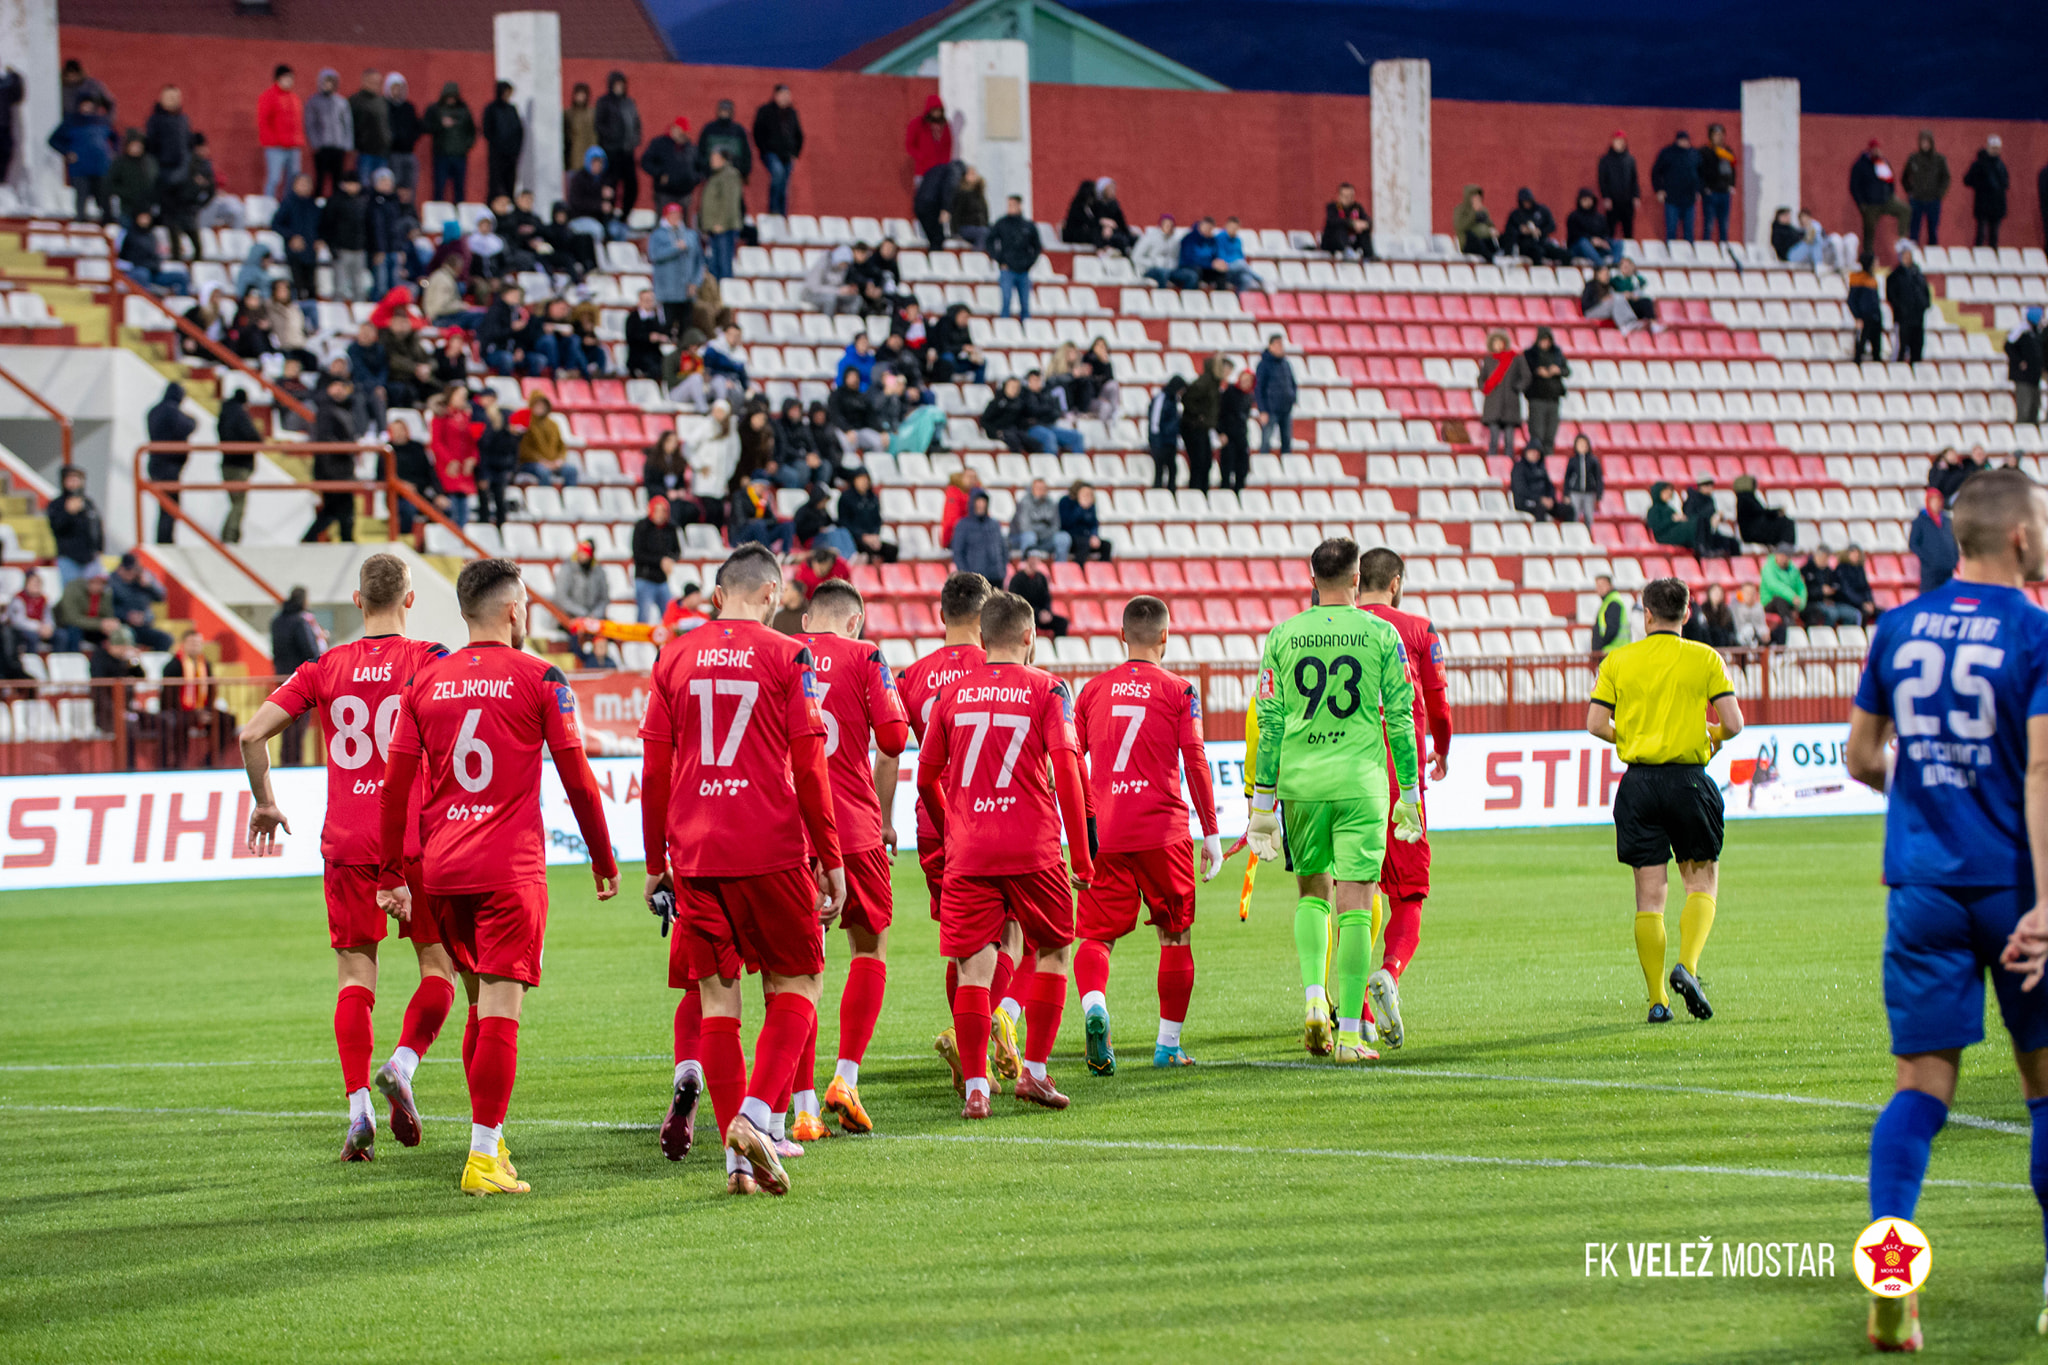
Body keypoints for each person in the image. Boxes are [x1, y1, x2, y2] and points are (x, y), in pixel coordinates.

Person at [1845, 467, 2048, 1350]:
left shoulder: (1896, 625)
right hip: (2012, 887)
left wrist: (1928, 791)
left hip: (1922, 885)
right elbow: (2043, 769)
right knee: (2043, 1093)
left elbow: (1860, 754)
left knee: (1920, 1088)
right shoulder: (2035, 632)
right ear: (2017, 537)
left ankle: (1893, 1281)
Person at [376, 558, 617, 1194]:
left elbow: (395, 789)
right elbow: (579, 781)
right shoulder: (542, 675)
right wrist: (603, 858)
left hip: (443, 868)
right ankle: (482, 1155)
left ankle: (493, 1136)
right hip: (509, 868)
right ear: (515, 610)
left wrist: (390, 872)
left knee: (480, 1005)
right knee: (503, 1010)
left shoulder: (425, 684)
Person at [237, 554, 458, 1162]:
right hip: (417, 840)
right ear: (410, 600)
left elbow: (251, 735)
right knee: (439, 968)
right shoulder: (432, 661)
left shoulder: (324, 666)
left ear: (358, 602)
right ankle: (403, 1064)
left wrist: (265, 802)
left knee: (355, 978)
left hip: (348, 842)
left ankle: (359, 1107)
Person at [637, 545, 844, 1194]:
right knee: (800, 982)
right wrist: (830, 858)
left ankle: (736, 1163)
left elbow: (654, 769)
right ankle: (756, 1116)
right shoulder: (790, 654)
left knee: (716, 998)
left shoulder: (673, 654)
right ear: (774, 594)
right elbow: (810, 765)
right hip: (770, 843)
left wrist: (653, 860)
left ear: (719, 592)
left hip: (696, 851)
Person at [917, 590, 1094, 1118]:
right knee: (1055, 951)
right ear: (1027, 637)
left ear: (982, 637)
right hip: (1032, 845)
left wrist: (954, 829)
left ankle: (976, 1085)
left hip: (970, 849)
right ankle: (1034, 1073)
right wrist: (1082, 855)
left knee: (973, 967)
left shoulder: (954, 693)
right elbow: (1066, 772)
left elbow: (925, 777)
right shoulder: (1048, 688)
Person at [1246, 537, 1421, 1063]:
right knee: (1357, 905)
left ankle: (1312, 1001)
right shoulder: (1380, 632)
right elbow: (1402, 716)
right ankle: (1348, 1035)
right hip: (1361, 783)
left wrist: (1262, 802)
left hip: (1301, 784)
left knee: (1312, 894)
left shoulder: (1282, 635)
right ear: (1355, 580)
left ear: (1311, 580)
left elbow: (1269, 720)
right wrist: (1409, 793)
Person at [1068, 595, 1222, 1073]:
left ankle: (1095, 1006)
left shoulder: (1091, 691)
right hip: (1163, 831)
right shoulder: (1180, 691)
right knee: (1175, 937)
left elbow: (1070, 763)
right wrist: (1211, 832)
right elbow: (1194, 758)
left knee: (1095, 937)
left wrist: (1078, 834)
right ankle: (1167, 1045)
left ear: (1121, 636)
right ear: (1165, 637)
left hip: (1106, 833)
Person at [1586, 576, 1743, 1025]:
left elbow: (1596, 723)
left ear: (1647, 614)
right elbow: (1733, 723)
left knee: (1648, 898)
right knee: (1701, 882)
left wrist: (1630, 736)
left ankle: (1658, 1000)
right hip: (1689, 781)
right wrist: (1709, 736)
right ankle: (1688, 967)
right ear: (1687, 614)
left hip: (1639, 784)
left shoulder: (1620, 660)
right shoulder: (1704, 658)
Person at [784, 579, 910, 1136]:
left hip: (788, 831)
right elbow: (894, 737)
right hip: (852, 826)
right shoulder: (866, 655)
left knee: (795, 968)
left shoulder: (782, 653)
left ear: (807, 620)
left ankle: (804, 1109)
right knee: (870, 944)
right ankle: (846, 1077)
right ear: (855, 621)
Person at [895, 574, 1012, 1089]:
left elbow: (889, 749)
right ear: (987, 617)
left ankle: (972, 1055)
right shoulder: (1000, 667)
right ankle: (996, 1021)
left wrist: (882, 820)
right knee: (1014, 931)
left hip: (934, 821)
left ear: (941, 614)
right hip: (999, 817)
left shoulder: (912, 676)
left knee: (960, 942)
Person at [1349, 548, 1453, 1048]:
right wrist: (1442, 751)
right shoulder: (1417, 629)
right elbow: (1438, 702)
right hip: (1397, 776)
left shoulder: (1333, 628)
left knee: (1344, 895)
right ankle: (1388, 973)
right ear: (1394, 583)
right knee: (1407, 893)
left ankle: (1342, 1011)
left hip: (1339, 774)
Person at [302, 374, 362, 544]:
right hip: (333, 469)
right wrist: (348, 448)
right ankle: (342, 542)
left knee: (337, 510)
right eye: (336, 385)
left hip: (341, 468)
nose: (340, 389)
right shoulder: (326, 410)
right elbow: (326, 440)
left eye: (343, 386)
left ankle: (315, 539)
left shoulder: (345, 409)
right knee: (338, 509)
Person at [48, 94, 116, 222]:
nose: (87, 107)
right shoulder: (71, 122)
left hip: (100, 166)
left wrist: (112, 152)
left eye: (90, 104)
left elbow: (115, 138)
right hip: (80, 167)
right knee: (81, 197)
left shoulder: (101, 121)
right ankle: (80, 224)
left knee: (103, 195)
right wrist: (67, 152)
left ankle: (108, 222)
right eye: (84, 104)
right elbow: (53, 140)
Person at [145, 382, 195, 544]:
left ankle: (163, 540)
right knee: (169, 507)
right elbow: (188, 425)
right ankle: (165, 541)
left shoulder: (154, 410)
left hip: (156, 464)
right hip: (168, 466)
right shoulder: (172, 411)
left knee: (164, 506)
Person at [905, 94, 954, 248]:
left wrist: (943, 166)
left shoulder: (945, 126)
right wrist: (922, 157)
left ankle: (938, 232)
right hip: (923, 171)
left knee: (938, 204)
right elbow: (909, 144)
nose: (937, 113)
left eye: (939, 110)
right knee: (923, 203)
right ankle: (924, 232)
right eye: (934, 110)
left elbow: (948, 146)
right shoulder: (918, 124)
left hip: (939, 173)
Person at [216, 388, 263, 545]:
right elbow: (253, 436)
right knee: (239, 503)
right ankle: (229, 537)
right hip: (240, 465)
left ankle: (230, 535)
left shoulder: (223, 414)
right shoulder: (240, 415)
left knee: (235, 501)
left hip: (226, 464)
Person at [555, 538, 611, 668]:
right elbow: (561, 598)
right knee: (575, 633)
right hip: (571, 615)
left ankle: (602, 663)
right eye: (580, 552)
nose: (581, 555)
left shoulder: (598, 570)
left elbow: (604, 598)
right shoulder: (567, 569)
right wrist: (583, 614)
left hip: (593, 615)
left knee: (607, 629)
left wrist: (595, 613)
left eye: (585, 553)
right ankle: (580, 664)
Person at [593, 72, 641, 218]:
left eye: (622, 84)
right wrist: (612, 137)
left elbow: (637, 124)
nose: (619, 87)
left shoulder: (629, 103)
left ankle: (625, 215)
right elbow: (598, 125)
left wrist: (634, 140)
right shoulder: (604, 102)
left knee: (631, 185)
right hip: (611, 152)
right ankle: (608, 215)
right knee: (610, 186)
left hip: (627, 152)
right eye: (617, 84)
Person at [47, 466, 103, 588]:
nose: (74, 483)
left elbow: (97, 526)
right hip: (69, 559)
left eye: (77, 479)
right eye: (70, 479)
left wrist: (99, 548)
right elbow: (56, 528)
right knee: (72, 595)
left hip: (91, 559)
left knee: (95, 598)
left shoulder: (88, 503)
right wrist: (69, 513)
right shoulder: (57, 504)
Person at [302, 69, 353, 199]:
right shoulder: (314, 101)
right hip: (322, 147)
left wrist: (347, 144)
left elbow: (347, 124)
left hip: (338, 147)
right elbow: (310, 124)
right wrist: (315, 144)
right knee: (320, 179)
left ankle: (336, 206)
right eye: (325, 82)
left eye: (331, 82)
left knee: (338, 180)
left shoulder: (341, 102)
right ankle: (317, 205)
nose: (328, 85)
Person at [752, 85, 802, 217]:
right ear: (776, 95)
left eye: (788, 95)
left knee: (784, 184)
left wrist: (795, 153)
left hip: (787, 155)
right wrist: (764, 149)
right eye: (783, 94)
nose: (786, 98)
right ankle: (774, 210)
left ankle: (782, 213)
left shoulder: (792, 114)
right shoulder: (766, 111)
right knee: (778, 175)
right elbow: (757, 131)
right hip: (771, 152)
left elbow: (799, 135)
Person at [988, 194, 1040, 319]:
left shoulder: (1028, 225)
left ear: (1019, 206)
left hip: (1023, 270)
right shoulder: (1001, 223)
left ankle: (1026, 330)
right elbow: (990, 241)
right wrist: (1000, 259)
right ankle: (1004, 327)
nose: (1010, 208)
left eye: (1013, 205)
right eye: (1009, 205)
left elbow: (1037, 247)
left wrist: (1029, 263)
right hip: (1007, 269)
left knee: (1025, 305)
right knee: (1006, 301)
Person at [1476, 331, 1528, 456]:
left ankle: (1509, 463)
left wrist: (1517, 388)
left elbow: (1526, 377)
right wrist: (1484, 387)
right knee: (1493, 438)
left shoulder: (1515, 359)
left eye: (1500, 343)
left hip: (1510, 405)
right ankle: (1492, 463)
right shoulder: (1489, 361)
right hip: (1493, 405)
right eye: (1495, 343)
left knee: (1509, 440)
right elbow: (1481, 378)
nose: (1498, 345)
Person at [257, 66, 304, 202]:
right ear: (278, 79)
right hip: (275, 147)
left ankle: (289, 208)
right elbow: (263, 121)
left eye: (292, 78)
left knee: (294, 180)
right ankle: (268, 207)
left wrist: (297, 141)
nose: (290, 81)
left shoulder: (294, 98)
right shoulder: (268, 96)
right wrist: (273, 141)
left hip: (293, 146)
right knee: (274, 179)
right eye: (287, 78)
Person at [631, 495, 682, 624]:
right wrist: (660, 561)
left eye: (663, 510)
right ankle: (641, 643)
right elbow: (638, 554)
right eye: (657, 510)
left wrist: (670, 559)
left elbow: (677, 551)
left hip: (662, 580)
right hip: (645, 578)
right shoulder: (641, 527)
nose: (660, 514)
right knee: (644, 616)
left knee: (669, 616)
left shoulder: (671, 528)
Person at [1179, 356, 1225, 494]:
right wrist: (1199, 416)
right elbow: (1187, 399)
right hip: (1194, 427)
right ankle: (1195, 492)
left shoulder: (1213, 384)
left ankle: (1202, 492)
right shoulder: (1204, 382)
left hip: (1202, 428)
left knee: (1206, 462)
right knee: (1199, 462)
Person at [426, 82, 475, 205]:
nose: (451, 99)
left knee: (459, 189)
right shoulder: (436, 109)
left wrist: (466, 146)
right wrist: (440, 125)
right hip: (442, 155)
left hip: (460, 155)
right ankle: (438, 215)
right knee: (439, 188)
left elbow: (472, 131)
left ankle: (459, 214)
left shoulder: (464, 110)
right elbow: (425, 126)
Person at [699, 148, 744, 280]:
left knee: (724, 264)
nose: (711, 161)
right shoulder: (716, 175)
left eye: (714, 158)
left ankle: (725, 294)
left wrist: (722, 223)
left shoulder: (729, 175)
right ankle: (716, 296)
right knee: (714, 264)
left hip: (723, 227)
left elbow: (730, 202)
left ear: (723, 160)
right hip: (713, 227)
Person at [1522, 328, 1568, 454]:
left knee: (1550, 434)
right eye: (1543, 340)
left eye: (1548, 341)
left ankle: (1549, 459)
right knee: (1537, 434)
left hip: (1553, 398)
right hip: (1537, 397)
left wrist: (1557, 370)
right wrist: (1537, 370)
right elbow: (1524, 372)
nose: (1545, 343)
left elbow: (1567, 371)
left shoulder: (1557, 353)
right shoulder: (1530, 353)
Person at [1901, 130, 1950, 246]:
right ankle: (1913, 258)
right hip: (1916, 200)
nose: (1925, 144)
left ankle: (1933, 256)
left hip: (1933, 200)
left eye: (1927, 142)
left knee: (1933, 231)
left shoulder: (1939, 159)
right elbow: (1904, 177)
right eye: (1923, 142)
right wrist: (1910, 191)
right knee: (1914, 231)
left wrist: (1940, 193)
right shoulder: (1913, 158)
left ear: (1932, 143)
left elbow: (1946, 178)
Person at [1651, 130, 1700, 242]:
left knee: (1689, 232)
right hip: (1672, 199)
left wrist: (1698, 190)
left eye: (1686, 141)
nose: (1684, 143)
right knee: (1671, 230)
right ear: (1677, 141)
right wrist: (1659, 190)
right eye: (1682, 140)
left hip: (1689, 199)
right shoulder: (1667, 153)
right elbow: (1656, 172)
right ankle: (1671, 255)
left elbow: (1701, 173)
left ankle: (1689, 256)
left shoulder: (1694, 154)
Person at [517, 393, 576, 486]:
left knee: (571, 471)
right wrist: (542, 461)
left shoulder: (553, 424)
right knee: (543, 472)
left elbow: (561, 446)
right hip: (531, 463)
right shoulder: (526, 423)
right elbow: (524, 449)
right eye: (537, 405)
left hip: (553, 462)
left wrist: (559, 460)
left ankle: (570, 498)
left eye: (543, 405)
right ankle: (546, 498)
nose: (540, 408)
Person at [1888, 241, 1931, 366]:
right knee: (1901, 348)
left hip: (1918, 317)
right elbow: (1892, 296)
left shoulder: (1918, 274)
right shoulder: (1895, 276)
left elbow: (1925, 291)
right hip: (1903, 318)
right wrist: (1901, 309)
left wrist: (1924, 304)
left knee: (1917, 347)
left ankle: (1916, 372)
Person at [950, 488, 1006, 585]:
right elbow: (958, 553)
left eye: (983, 502)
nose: (981, 505)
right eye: (978, 502)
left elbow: (1003, 548)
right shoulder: (963, 525)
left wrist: (1002, 570)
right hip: (975, 580)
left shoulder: (994, 524)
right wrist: (966, 576)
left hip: (996, 577)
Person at [1253, 334, 1297, 455]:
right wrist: (1262, 410)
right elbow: (1259, 388)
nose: (1281, 348)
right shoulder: (1263, 365)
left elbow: (1292, 383)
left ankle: (1287, 468)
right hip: (1270, 409)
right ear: (1271, 346)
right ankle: (1262, 465)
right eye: (1278, 345)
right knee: (1266, 441)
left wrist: (1292, 398)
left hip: (1286, 409)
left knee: (1287, 441)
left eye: (1282, 345)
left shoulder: (1286, 364)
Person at [1963, 135, 2010, 248]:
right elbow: (1967, 180)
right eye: (1993, 148)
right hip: (1983, 205)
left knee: (1994, 236)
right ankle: (1978, 259)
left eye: (1997, 148)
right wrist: (1982, 185)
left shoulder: (2001, 165)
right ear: (1987, 147)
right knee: (1981, 234)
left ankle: (1993, 260)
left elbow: (2005, 184)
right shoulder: (1979, 164)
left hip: (1997, 206)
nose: (1995, 151)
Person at [347, 68, 391, 187]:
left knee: (381, 186)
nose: (376, 85)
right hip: (364, 152)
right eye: (373, 81)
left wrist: (388, 140)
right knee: (365, 185)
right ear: (364, 81)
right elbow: (351, 126)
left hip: (382, 151)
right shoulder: (355, 101)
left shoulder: (382, 101)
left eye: (378, 82)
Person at [1910, 488, 1959, 593]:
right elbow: (1913, 544)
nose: (1937, 504)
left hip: (1947, 568)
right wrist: (1928, 559)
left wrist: (1954, 560)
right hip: (1930, 572)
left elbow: (1953, 542)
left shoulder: (1947, 521)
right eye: (1934, 500)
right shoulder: (1920, 522)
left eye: (1939, 500)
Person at [1009, 477, 1070, 561]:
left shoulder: (1052, 503)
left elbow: (1056, 526)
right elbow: (1025, 527)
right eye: (1038, 488)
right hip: (1021, 538)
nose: (1041, 491)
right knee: (1030, 536)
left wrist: (1044, 535)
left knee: (1063, 537)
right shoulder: (1024, 503)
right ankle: (1026, 569)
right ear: (1031, 489)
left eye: (1043, 488)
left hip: (1045, 538)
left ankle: (1060, 569)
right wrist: (1039, 534)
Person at [1502, 188, 1566, 264]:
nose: (1526, 204)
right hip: (1525, 245)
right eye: (1524, 201)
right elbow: (1508, 231)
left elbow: (1552, 226)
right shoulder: (1516, 214)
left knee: (1565, 254)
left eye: (1528, 201)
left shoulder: (1542, 210)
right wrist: (1522, 230)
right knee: (1538, 252)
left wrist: (1540, 231)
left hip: (1542, 241)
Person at [1597, 130, 1640, 240]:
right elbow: (1602, 180)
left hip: (1627, 200)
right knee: (1610, 229)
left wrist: (1636, 196)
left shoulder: (1630, 159)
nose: (1619, 143)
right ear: (1612, 142)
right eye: (1616, 141)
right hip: (1612, 200)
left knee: (1628, 229)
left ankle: (1628, 254)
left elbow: (1634, 179)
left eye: (1621, 141)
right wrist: (1606, 196)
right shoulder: (1605, 160)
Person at [1733, 474, 1797, 548]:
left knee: (1784, 521)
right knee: (1786, 523)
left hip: (1756, 530)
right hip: (1753, 532)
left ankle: (1784, 547)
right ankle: (1784, 548)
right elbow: (1759, 512)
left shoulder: (1745, 497)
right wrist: (1776, 512)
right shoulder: (1745, 499)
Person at [1801, 546, 1859, 626]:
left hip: (1832, 603)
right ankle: (1826, 635)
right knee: (1832, 614)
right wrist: (1821, 591)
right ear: (1816, 556)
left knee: (1853, 614)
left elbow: (1839, 587)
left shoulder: (1830, 572)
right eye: (1823, 556)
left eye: (1827, 557)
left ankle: (1843, 635)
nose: (1825, 560)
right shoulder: (1805, 570)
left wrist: (1833, 591)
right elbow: (1803, 592)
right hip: (1814, 603)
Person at [1698, 124, 1736, 244]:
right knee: (1709, 224)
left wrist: (1732, 185)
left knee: (1724, 224)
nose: (1719, 138)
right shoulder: (1705, 152)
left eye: (1721, 135)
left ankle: (1724, 250)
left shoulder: (1727, 152)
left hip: (1724, 192)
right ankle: (1706, 250)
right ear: (1711, 136)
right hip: (1711, 192)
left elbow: (1733, 169)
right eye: (1716, 135)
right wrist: (1704, 188)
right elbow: (1700, 171)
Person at [1511, 444, 1569, 522]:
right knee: (1540, 509)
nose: (1535, 455)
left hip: (1543, 501)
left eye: (1537, 453)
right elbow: (1521, 489)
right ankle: (1540, 533)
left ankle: (1568, 532)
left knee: (1568, 509)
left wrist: (1550, 498)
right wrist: (1540, 499)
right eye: (1532, 452)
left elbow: (1549, 486)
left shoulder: (1541, 467)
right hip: (1526, 502)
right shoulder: (1519, 468)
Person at [1218, 365, 1254, 493]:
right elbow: (1220, 413)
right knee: (1227, 467)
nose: (1246, 383)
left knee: (1242, 468)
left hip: (1241, 435)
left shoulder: (1248, 397)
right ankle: (1225, 492)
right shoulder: (1230, 392)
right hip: (1229, 435)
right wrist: (1221, 432)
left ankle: (1239, 493)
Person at [1565, 188, 1622, 267]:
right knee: (1583, 242)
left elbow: (1606, 232)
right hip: (1578, 248)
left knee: (1618, 243)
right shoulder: (1574, 216)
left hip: (1598, 247)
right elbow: (1574, 234)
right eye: (1585, 199)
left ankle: (1615, 264)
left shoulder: (1600, 217)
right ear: (1579, 201)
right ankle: (1601, 266)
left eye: (1589, 199)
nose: (1587, 202)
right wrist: (1591, 239)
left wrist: (1603, 241)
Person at [385, 73, 421, 196]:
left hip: (409, 152)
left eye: (401, 88)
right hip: (393, 153)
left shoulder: (409, 107)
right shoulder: (385, 106)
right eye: (394, 88)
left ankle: (408, 210)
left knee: (410, 185)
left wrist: (411, 139)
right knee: (394, 184)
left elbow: (416, 127)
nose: (398, 91)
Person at [1147, 375, 1185, 490]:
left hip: (1171, 440)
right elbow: (1155, 420)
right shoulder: (1161, 398)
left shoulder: (1175, 401)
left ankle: (1171, 493)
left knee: (1172, 469)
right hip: (1160, 440)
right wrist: (1155, 440)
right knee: (1159, 470)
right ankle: (1157, 493)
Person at [2008, 307, 2044, 426]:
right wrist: (2019, 361)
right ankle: (2022, 437)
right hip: (2023, 378)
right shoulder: (2021, 330)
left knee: (2034, 409)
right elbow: (2008, 346)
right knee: (2024, 410)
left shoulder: (2037, 332)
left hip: (2035, 378)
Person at [1060, 480, 1112, 562]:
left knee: (1106, 545)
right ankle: (1079, 570)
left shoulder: (1091, 506)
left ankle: (1103, 571)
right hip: (1071, 537)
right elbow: (1067, 523)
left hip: (1086, 537)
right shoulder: (1066, 502)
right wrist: (1080, 508)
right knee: (1083, 543)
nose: (1088, 496)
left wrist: (1094, 535)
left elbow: (1094, 523)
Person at [1848, 253, 1885, 365]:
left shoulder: (1872, 279)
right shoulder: (1858, 278)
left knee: (1876, 347)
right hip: (1864, 317)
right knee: (1860, 346)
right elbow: (1851, 300)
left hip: (1875, 317)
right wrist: (1857, 317)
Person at [1760, 543, 1808, 625]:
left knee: (1812, 609)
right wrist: (1792, 597)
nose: (1784, 559)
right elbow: (1774, 585)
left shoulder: (1793, 569)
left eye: (1787, 556)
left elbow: (1801, 587)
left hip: (1790, 601)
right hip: (1769, 601)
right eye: (1782, 555)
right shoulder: (1768, 567)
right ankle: (1789, 625)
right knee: (1780, 600)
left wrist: (1799, 605)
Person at [1320, 183, 1372, 258]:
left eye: (1350, 196)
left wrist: (1364, 224)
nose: (1348, 198)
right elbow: (1332, 221)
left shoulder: (1357, 207)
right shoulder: (1332, 207)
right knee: (1340, 227)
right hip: (1333, 243)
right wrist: (1352, 223)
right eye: (1345, 196)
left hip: (1352, 241)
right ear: (1339, 196)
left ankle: (1369, 255)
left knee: (1364, 231)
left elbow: (1368, 221)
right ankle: (1347, 251)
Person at [1133, 214, 1186, 287]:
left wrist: (1171, 265)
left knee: (1191, 276)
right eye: (1166, 224)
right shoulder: (1149, 238)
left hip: (1169, 270)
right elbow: (1135, 257)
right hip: (1150, 269)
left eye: (1171, 225)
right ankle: (1162, 296)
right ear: (1161, 225)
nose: (1168, 227)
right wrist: (1154, 262)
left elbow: (1176, 258)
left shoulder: (1175, 241)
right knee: (1163, 274)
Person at [1563, 433, 1604, 527]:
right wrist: (1566, 494)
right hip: (1575, 492)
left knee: (1589, 516)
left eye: (1584, 444)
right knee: (1574, 515)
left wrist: (1598, 493)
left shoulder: (1593, 461)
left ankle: (1588, 535)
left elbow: (1598, 478)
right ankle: (1574, 535)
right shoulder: (1572, 461)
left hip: (1589, 492)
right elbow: (1567, 478)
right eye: (1579, 444)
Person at [1835, 544, 1878, 624]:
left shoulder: (1860, 569)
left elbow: (1866, 588)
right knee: (1862, 614)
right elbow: (1847, 591)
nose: (1855, 555)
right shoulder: (1841, 569)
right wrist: (1862, 603)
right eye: (1853, 553)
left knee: (1882, 613)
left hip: (1861, 602)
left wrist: (1870, 601)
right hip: (1847, 602)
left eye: (1857, 553)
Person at [1452, 185, 1496, 260]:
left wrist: (1492, 229)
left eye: (1479, 197)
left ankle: (1499, 255)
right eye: (1475, 197)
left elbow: (1490, 224)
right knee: (1473, 237)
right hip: (1467, 242)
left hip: (1483, 240)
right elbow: (1460, 226)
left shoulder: (1483, 210)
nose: (1477, 199)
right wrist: (1474, 213)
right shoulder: (1460, 209)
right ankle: (1491, 258)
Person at [1590, 574, 1629, 654]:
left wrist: (1599, 645)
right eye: (1597, 586)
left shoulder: (1613, 602)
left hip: (1612, 652)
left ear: (1610, 586)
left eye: (1602, 585)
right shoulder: (1608, 602)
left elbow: (1612, 629)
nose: (1599, 589)